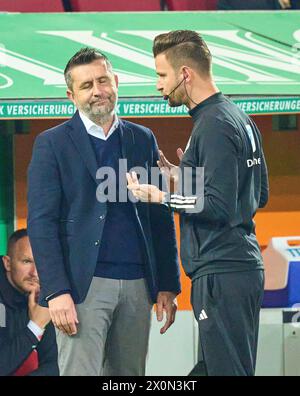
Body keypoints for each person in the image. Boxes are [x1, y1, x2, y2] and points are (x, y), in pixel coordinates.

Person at [27, 47, 180, 376]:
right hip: (82, 288)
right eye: (86, 86)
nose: (98, 91)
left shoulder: (142, 138)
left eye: (103, 80)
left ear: (116, 82)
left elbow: (159, 216)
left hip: (139, 285)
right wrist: (56, 292)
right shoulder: (51, 144)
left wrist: (167, 282)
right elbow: (41, 224)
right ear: (71, 95)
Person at [127, 30, 269, 376]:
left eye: (162, 75)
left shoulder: (213, 125)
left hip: (222, 270)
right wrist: (184, 176)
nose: (159, 85)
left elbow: (219, 206)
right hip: (237, 268)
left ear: (185, 74)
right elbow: (257, 194)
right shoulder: (238, 117)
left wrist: (162, 196)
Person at [0, 229, 58, 376]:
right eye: (27, 261)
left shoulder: (46, 294)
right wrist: (35, 327)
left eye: (41, 263)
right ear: (7, 263)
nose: (35, 273)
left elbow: (55, 364)